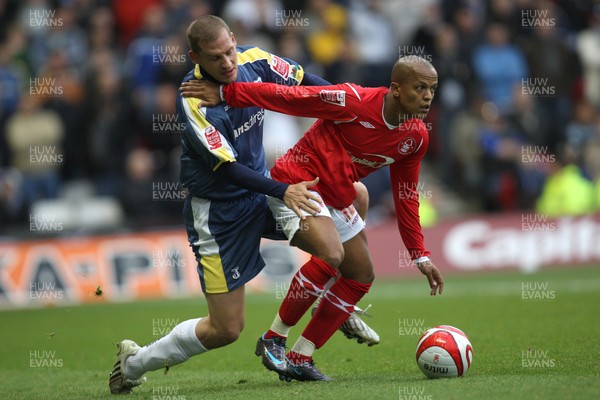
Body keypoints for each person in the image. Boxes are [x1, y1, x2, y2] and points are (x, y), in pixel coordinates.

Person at [108, 15, 376, 394]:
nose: (228, 63)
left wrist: (347, 107)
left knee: (356, 198)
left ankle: (332, 304)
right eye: (216, 58)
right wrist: (283, 191)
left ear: (235, 40)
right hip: (220, 215)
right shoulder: (194, 102)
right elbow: (229, 169)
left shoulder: (256, 60)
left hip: (265, 191)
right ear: (195, 56)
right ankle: (134, 363)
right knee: (226, 329)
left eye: (230, 51)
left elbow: (305, 84)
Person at [182, 55, 445, 381]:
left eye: (432, 89)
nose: (428, 96)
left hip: (336, 195)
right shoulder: (354, 101)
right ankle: (274, 339)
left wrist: (419, 254)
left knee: (361, 276)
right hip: (298, 183)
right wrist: (227, 95)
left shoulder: (416, 137)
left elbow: (405, 193)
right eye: (420, 88)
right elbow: (289, 98)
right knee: (332, 254)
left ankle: (300, 357)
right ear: (395, 88)